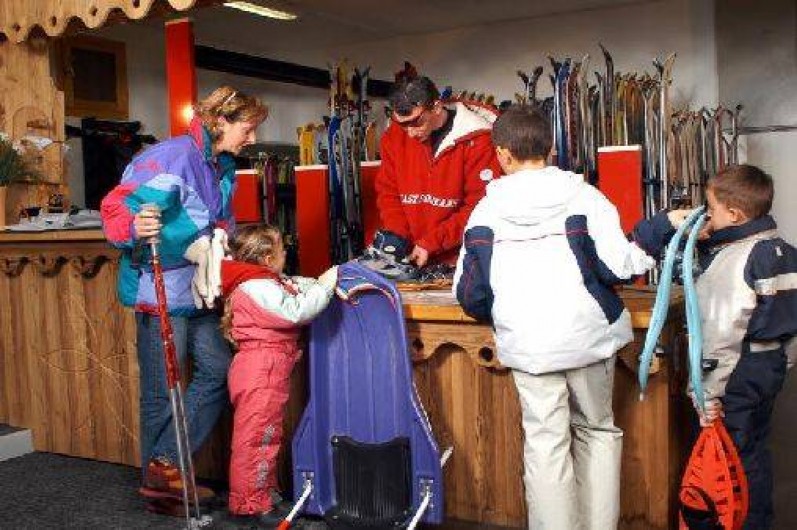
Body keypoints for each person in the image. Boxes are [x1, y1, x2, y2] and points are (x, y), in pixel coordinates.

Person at [453, 105, 658, 529]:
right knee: (596, 433)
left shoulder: (484, 214)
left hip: (529, 347)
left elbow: (470, 294)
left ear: (501, 154)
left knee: (545, 445)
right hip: (590, 340)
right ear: (550, 149)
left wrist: (514, 316)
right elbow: (620, 266)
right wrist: (658, 232)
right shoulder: (586, 198)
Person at [100, 86, 268, 507]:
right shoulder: (173, 156)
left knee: (218, 369)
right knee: (161, 391)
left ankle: (166, 465)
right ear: (221, 122)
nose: (252, 139)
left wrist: (229, 246)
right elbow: (117, 207)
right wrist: (135, 227)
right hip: (158, 287)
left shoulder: (222, 166)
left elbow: (218, 221)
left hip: (198, 290)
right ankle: (159, 487)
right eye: (247, 129)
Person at [642, 164, 797, 530]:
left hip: (734, 381)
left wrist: (710, 394)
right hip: (760, 374)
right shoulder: (776, 251)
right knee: (750, 455)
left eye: (711, 209)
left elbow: (725, 334)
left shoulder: (740, 259)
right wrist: (780, 366)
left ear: (735, 214)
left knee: (730, 462)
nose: (706, 216)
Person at [219, 224, 338, 527]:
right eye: (282, 249)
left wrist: (320, 282)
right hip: (262, 371)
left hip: (263, 368)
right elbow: (296, 311)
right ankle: (251, 505)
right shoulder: (258, 287)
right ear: (267, 258)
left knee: (264, 435)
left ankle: (261, 494)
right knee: (257, 440)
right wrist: (324, 288)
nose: (287, 252)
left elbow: (293, 285)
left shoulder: (261, 281)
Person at [373, 75, 502, 268]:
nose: (410, 133)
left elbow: (479, 207)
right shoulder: (394, 137)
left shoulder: (478, 141)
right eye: (402, 124)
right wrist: (399, 239)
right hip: (409, 254)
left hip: (458, 260)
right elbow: (388, 193)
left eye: (416, 122)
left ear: (436, 106)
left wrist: (432, 243)